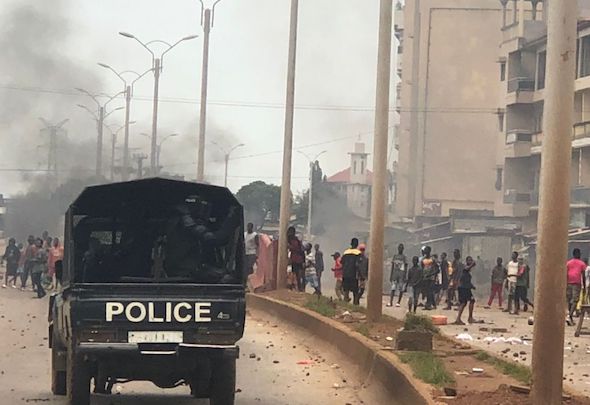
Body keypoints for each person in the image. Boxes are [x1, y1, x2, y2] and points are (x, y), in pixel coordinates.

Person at [454, 256, 478, 325]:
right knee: (465, 302)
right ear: (467, 261)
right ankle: (464, 318)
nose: (470, 261)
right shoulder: (465, 267)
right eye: (469, 260)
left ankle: (467, 318)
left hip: (465, 287)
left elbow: (466, 280)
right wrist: (472, 265)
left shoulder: (467, 271)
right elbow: (466, 269)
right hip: (463, 288)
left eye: (471, 260)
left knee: (468, 302)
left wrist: (472, 286)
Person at [566, 248, 586, 325]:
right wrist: (583, 285)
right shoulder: (582, 264)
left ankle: (570, 317)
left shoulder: (568, 263)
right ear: (578, 254)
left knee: (570, 300)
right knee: (575, 300)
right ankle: (569, 315)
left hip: (569, 283)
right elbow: (583, 275)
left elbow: (566, 273)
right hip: (576, 283)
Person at [341, 238, 362, 305]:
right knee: (355, 291)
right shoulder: (358, 253)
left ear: (351, 244)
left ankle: (345, 303)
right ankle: (355, 304)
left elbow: (342, 262)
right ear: (357, 244)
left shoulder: (346, 252)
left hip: (345, 274)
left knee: (346, 290)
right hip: (353, 275)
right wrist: (361, 275)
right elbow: (358, 265)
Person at [287, 226, 305, 292]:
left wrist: (289, 246)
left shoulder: (294, 240)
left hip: (296, 259)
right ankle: (297, 287)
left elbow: (295, 248)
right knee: (296, 274)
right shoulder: (296, 239)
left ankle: (297, 287)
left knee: (296, 274)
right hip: (297, 259)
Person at [421, 246, 439, 310]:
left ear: (429, 251)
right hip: (425, 277)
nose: (425, 251)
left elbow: (437, 269)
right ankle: (432, 304)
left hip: (432, 277)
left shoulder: (433, 259)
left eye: (426, 250)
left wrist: (433, 274)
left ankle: (428, 305)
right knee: (427, 291)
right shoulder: (423, 259)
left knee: (430, 291)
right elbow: (422, 268)